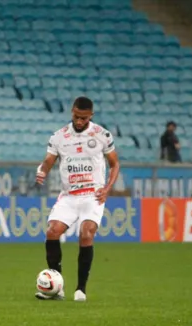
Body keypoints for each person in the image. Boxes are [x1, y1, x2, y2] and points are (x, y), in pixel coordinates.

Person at [35, 97, 120, 302]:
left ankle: (81, 289)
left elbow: (115, 164)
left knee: (86, 233)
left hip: (93, 196)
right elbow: (48, 160)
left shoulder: (102, 135)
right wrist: (42, 171)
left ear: (91, 116)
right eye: (75, 117)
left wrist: (107, 188)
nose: (79, 121)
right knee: (52, 231)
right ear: (71, 112)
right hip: (69, 196)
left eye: (83, 118)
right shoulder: (59, 136)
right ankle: (57, 288)